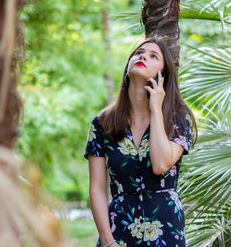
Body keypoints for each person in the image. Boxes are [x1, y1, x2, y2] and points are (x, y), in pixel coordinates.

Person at [84, 37, 197, 247]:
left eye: (154, 56)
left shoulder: (178, 121)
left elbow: (160, 164)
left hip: (166, 229)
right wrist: (108, 241)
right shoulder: (102, 123)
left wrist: (156, 108)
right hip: (118, 231)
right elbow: (97, 188)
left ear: (163, 75)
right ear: (128, 66)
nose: (143, 56)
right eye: (139, 53)